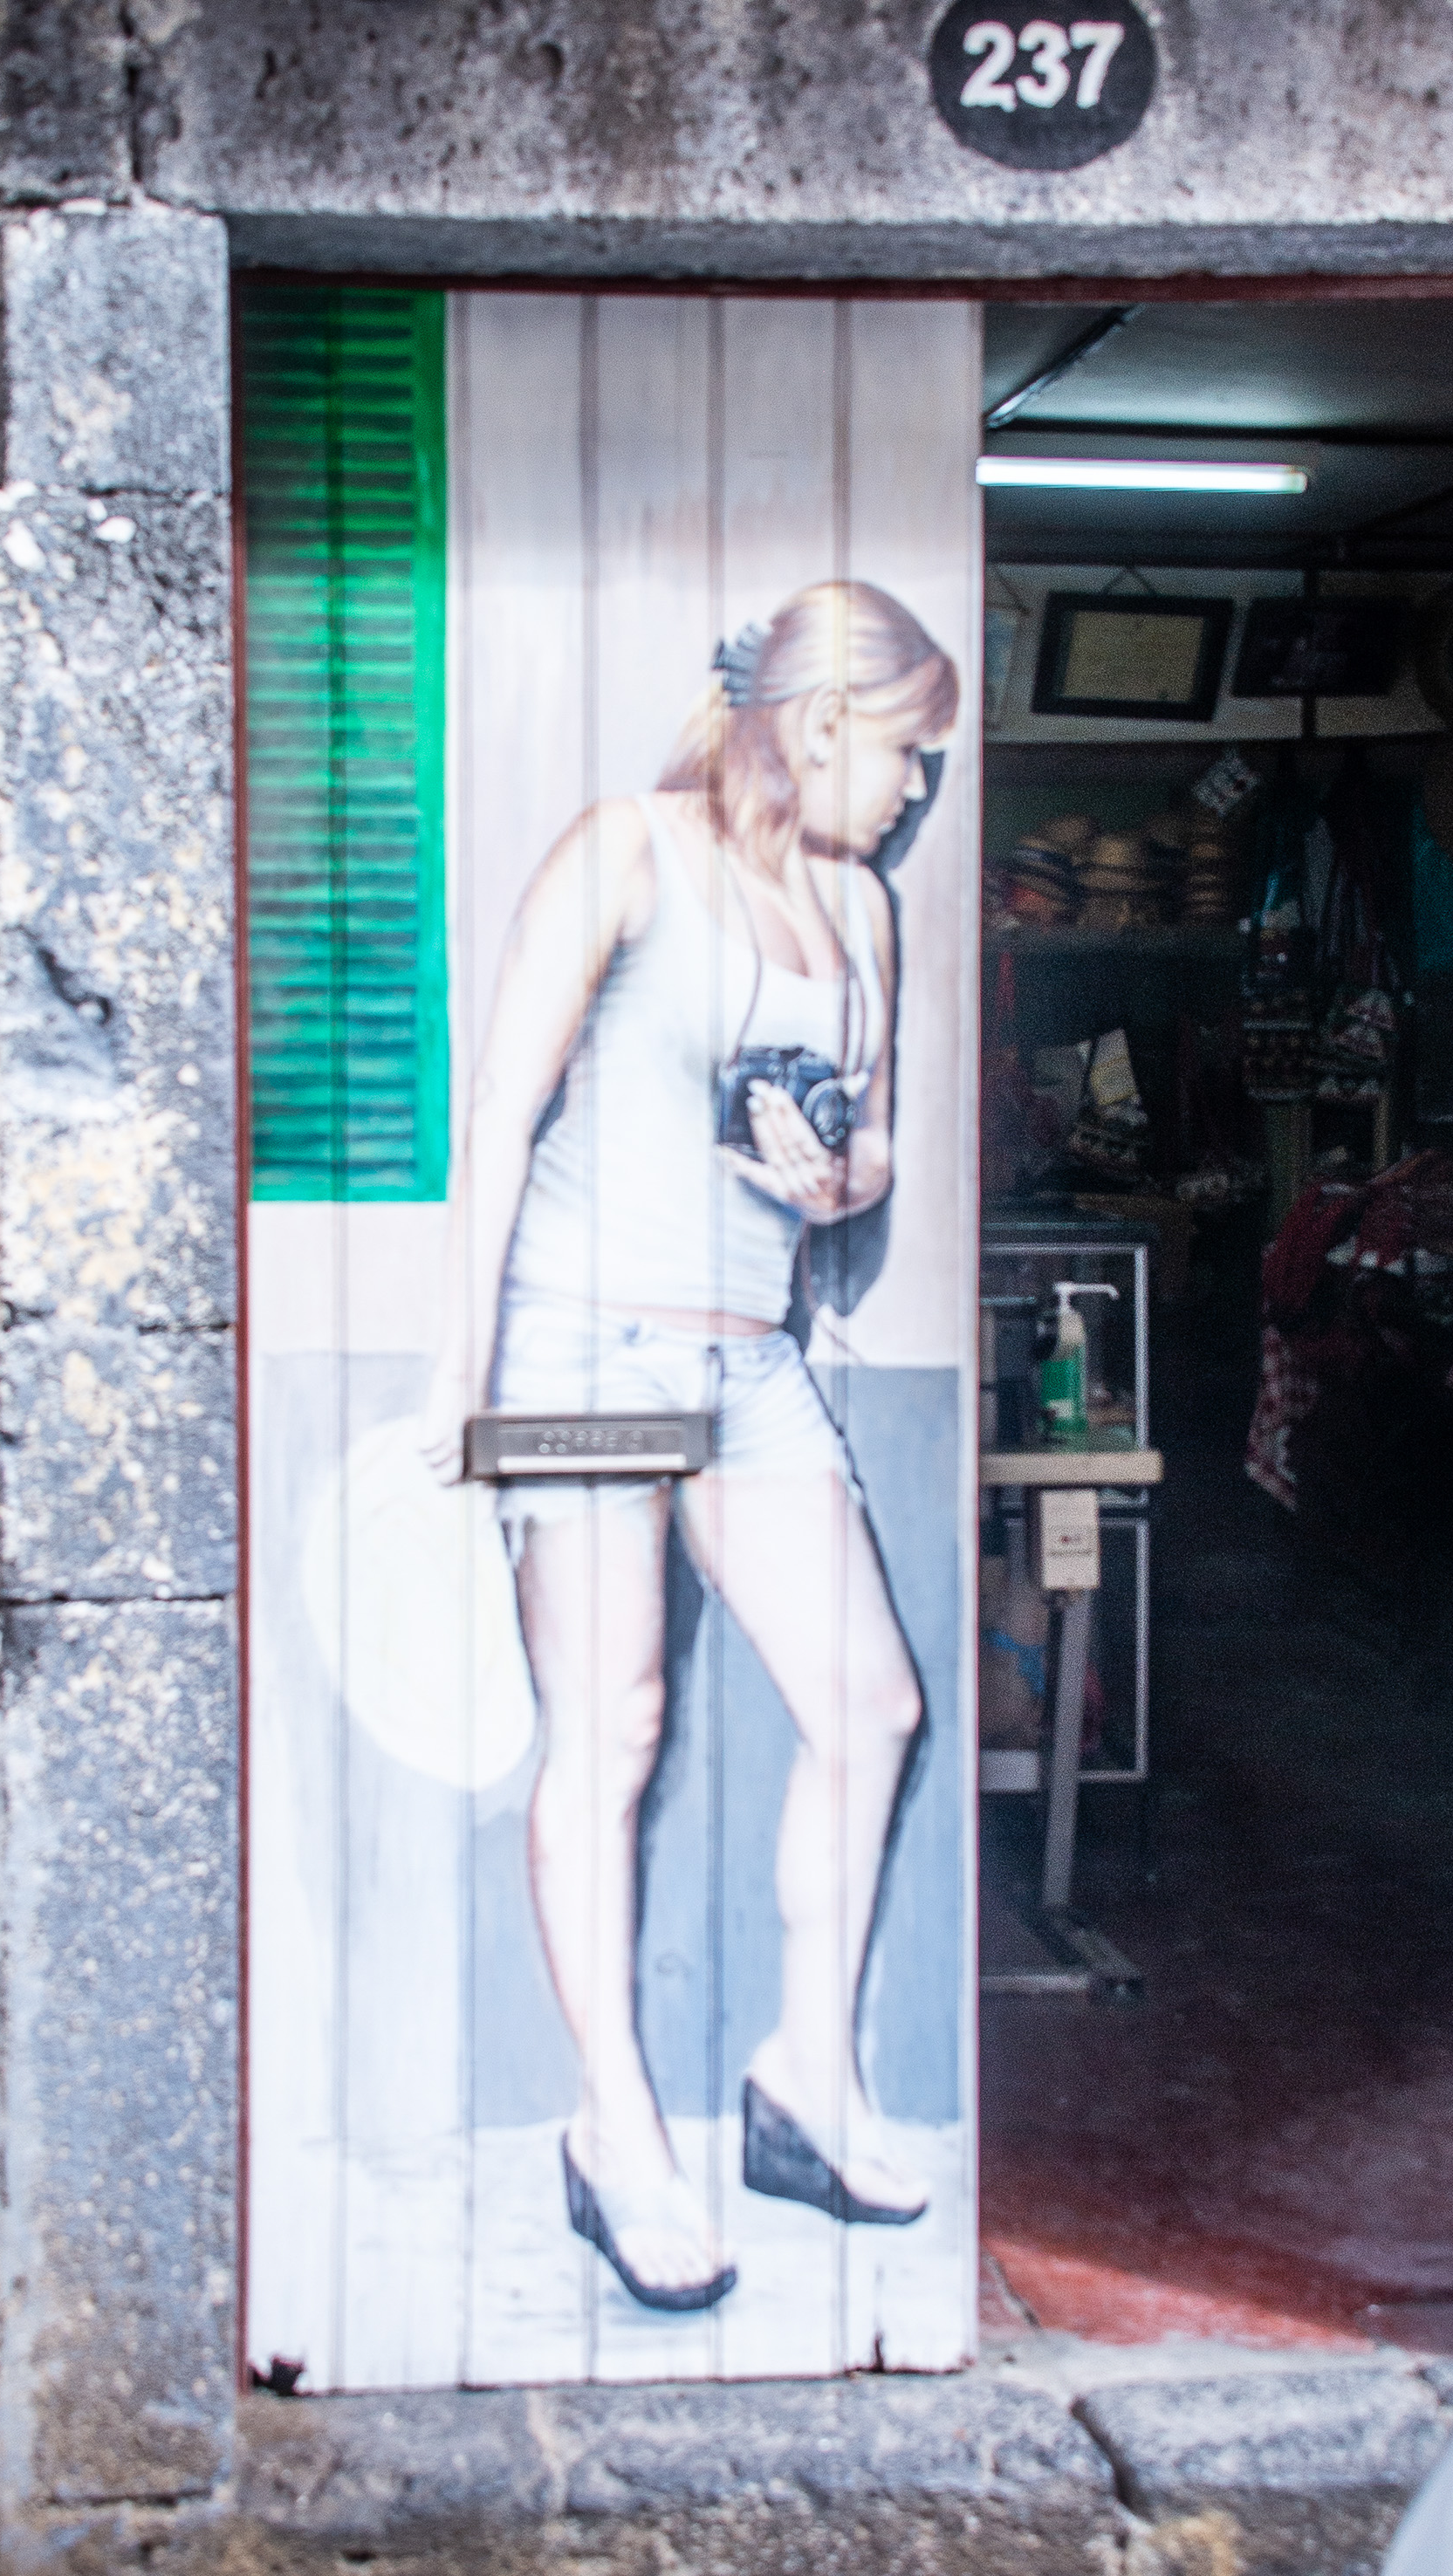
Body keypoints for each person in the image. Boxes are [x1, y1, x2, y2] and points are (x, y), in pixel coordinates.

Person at [420, 579, 960, 2310]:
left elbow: (867, 1140)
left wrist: (842, 1174)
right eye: (905, 752)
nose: (917, 790)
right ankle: (615, 2134)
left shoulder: (861, 909)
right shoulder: (625, 850)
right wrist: (456, 1372)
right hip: (587, 1339)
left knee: (871, 1705)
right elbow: (497, 1110)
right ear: (815, 727)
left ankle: (807, 2082)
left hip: (752, 1361)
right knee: (616, 1731)